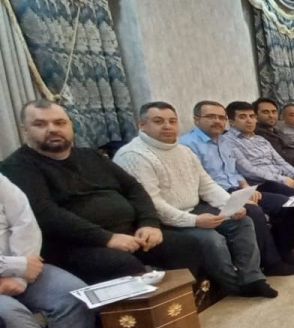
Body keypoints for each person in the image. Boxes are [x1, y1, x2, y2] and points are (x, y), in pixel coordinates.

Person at [1, 101, 204, 285]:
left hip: (129, 233)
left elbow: (133, 188)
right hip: (75, 244)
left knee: (184, 245)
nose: (52, 129)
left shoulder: (91, 156)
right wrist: (106, 238)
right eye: (40, 124)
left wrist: (149, 223)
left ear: (71, 125)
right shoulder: (17, 166)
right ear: (25, 130)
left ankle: (182, 306)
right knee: (121, 264)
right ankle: (140, 315)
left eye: (60, 123)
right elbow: (45, 214)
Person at [0, 174, 134, 328]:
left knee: (73, 295)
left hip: (23, 265)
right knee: (11, 316)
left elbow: (24, 222)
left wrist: (20, 273)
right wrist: (15, 267)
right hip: (15, 267)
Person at [113, 102, 277, 298]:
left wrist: (231, 205)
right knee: (211, 239)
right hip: (159, 221)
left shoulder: (184, 151)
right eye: (158, 121)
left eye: (172, 121)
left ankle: (252, 279)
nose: (167, 126)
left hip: (193, 208)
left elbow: (206, 185)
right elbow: (151, 205)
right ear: (142, 125)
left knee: (243, 221)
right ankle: (233, 286)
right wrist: (195, 221)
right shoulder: (134, 155)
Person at [180, 101, 294, 276]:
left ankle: (285, 252)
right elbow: (201, 182)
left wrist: (246, 188)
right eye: (210, 116)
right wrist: (240, 196)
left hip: (237, 188)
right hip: (213, 194)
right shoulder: (187, 145)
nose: (217, 121)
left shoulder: (224, 141)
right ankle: (271, 263)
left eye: (221, 117)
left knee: (285, 203)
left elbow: (234, 171)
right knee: (254, 211)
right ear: (196, 120)